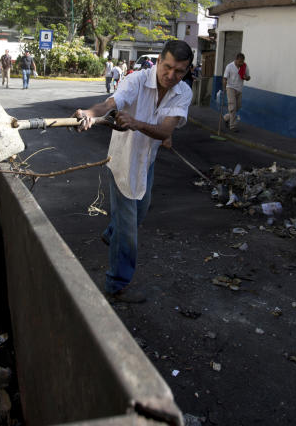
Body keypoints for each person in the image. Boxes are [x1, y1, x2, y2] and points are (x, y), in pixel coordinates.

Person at [74, 39, 194, 304]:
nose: (171, 75)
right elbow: (109, 104)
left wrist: (137, 123)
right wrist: (90, 114)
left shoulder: (183, 92)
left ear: (187, 72)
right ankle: (116, 284)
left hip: (146, 161)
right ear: (159, 60)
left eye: (179, 71)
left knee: (139, 213)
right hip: (122, 161)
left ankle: (111, 234)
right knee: (129, 229)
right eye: (168, 67)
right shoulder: (136, 80)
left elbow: (164, 131)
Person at [221, 53, 250, 132]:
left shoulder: (244, 66)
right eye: (240, 62)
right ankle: (233, 126)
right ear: (236, 59)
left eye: (242, 62)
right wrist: (224, 88)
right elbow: (225, 78)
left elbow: (248, 77)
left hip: (239, 89)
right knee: (232, 106)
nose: (241, 63)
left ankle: (226, 117)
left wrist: (246, 78)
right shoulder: (229, 66)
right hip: (230, 88)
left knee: (238, 107)